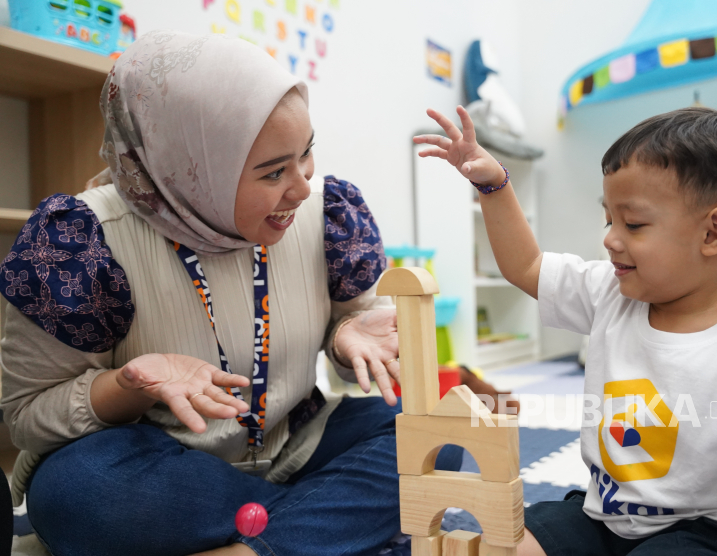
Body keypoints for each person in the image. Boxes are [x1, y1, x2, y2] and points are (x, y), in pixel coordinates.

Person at [0, 32, 463, 556]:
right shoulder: (77, 240)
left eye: (305, 153)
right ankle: (325, 523)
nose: (302, 187)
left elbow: (355, 331)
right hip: (161, 466)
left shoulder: (328, 210)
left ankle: (252, 544)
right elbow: (26, 416)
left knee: (436, 435)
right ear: (189, 170)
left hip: (296, 442)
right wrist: (127, 385)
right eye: (272, 172)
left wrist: (344, 337)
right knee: (78, 496)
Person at [415, 106, 717, 555]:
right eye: (609, 218)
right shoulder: (610, 291)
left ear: (714, 233)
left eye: (633, 223)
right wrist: (493, 185)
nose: (609, 238)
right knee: (502, 544)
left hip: (708, 533)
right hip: (605, 516)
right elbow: (526, 265)